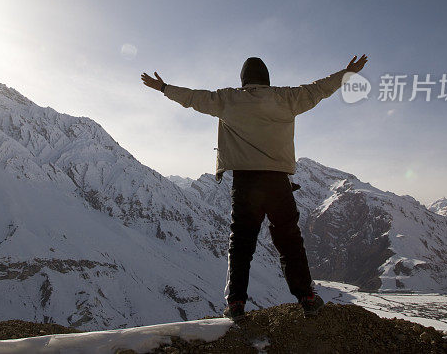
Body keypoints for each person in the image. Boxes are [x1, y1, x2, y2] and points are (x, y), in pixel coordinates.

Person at [141, 54, 368, 320]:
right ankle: (306, 296)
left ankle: (236, 303)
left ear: (243, 80)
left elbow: (193, 98)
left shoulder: (228, 100)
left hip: (245, 183)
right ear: (267, 78)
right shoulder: (287, 98)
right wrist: (347, 72)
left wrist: (165, 88)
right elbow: (320, 89)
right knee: (289, 241)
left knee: (241, 244)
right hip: (277, 182)